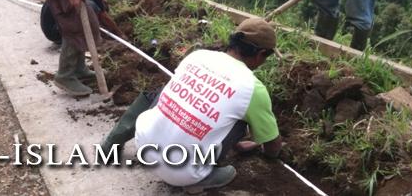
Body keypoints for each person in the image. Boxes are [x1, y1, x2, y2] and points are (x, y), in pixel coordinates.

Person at [101, 18, 282, 193]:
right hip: (182, 173)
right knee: (241, 120)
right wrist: (269, 155)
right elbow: (272, 144)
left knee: (163, 93)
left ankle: (111, 142)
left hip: (143, 146)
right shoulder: (253, 88)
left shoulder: (198, 56)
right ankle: (201, 179)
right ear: (260, 55)